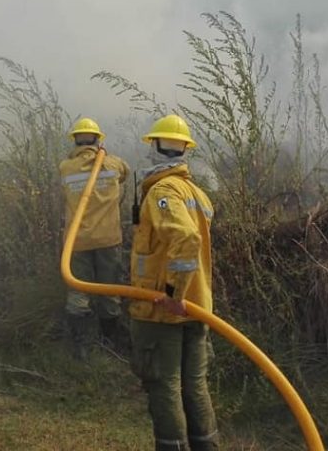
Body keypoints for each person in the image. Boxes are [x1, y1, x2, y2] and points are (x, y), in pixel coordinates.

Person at [128, 114, 220, 451]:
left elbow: (186, 238)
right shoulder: (198, 194)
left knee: (163, 384)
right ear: (185, 149)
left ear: (154, 146)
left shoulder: (162, 191)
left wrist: (171, 293)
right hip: (197, 308)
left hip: (162, 311)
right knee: (194, 386)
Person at [60, 117, 130, 360]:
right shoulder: (113, 164)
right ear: (98, 140)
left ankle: (81, 348)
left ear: (75, 140)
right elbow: (125, 172)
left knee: (78, 292)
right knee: (109, 290)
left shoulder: (66, 167)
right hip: (108, 239)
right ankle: (110, 341)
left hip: (77, 241)